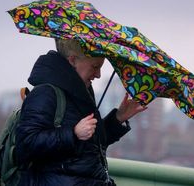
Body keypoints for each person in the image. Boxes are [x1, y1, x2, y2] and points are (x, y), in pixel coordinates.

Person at [15, 39, 147, 186]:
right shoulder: (45, 93)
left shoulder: (81, 93)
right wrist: (73, 133)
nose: (98, 74)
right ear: (73, 61)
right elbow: (26, 145)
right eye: (95, 66)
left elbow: (91, 145)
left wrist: (118, 118)